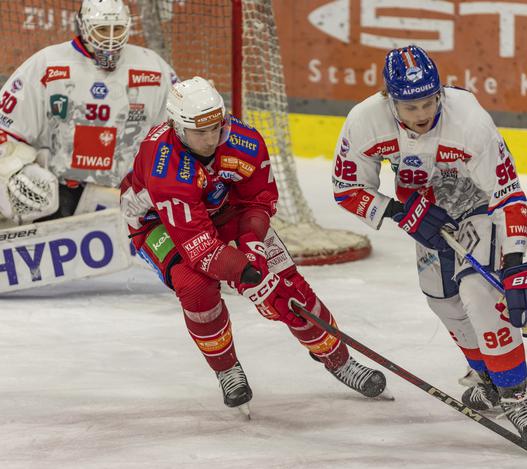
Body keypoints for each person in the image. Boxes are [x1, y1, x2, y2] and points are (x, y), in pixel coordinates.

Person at [120, 76, 387, 414]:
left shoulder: (244, 141)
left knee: (289, 290)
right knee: (196, 287)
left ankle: (339, 360)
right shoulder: (164, 163)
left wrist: (253, 248)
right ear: (177, 125)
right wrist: (247, 274)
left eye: (215, 128)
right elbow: (199, 247)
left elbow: (257, 202)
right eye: (199, 132)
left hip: (223, 209)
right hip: (157, 222)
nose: (209, 139)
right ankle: (226, 368)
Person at [331, 45, 527, 441]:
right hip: (424, 214)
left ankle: (516, 395)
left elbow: (507, 193)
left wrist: (514, 262)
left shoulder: (469, 121)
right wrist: (399, 212)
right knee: (443, 300)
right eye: (410, 107)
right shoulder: (364, 121)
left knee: (480, 292)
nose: (422, 114)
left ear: (440, 93)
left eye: (429, 102)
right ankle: (489, 380)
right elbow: (347, 188)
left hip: (477, 206)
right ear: (389, 99)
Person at [0, 0, 177, 225]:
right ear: (84, 26)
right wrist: (15, 169)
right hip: (64, 195)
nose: (111, 38)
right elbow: (6, 127)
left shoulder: (154, 68)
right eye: (102, 29)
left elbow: (178, 133)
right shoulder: (46, 64)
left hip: (132, 198)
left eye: (118, 29)